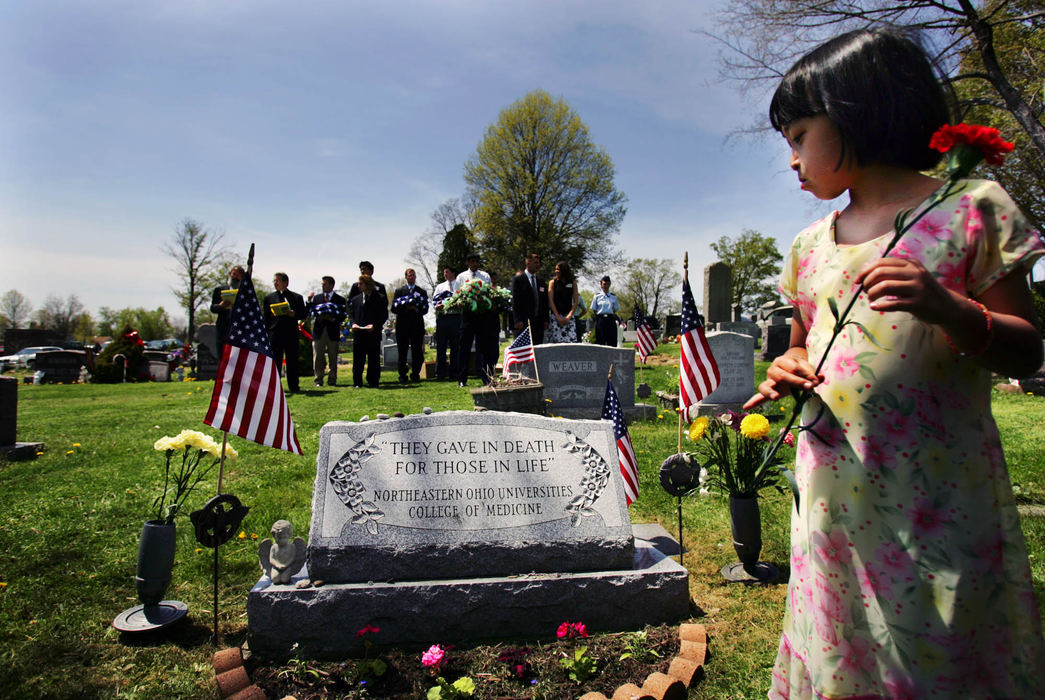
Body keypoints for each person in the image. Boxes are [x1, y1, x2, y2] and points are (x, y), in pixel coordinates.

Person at [743, 28, 1045, 699]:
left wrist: (950, 309)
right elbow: (801, 342)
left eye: (796, 136)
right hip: (831, 494)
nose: (790, 159)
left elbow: (1027, 346)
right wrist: (785, 368)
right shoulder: (807, 245)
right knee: (841, 634)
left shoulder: (970, 209)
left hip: (936, 493)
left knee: (937, 643)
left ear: (856, 111)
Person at [456, 253, 498, 386]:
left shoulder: (485, 276)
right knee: (464, 348)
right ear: (467, 263)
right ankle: (462, 378)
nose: (474, 264)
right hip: (467, 315)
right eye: (472, 261)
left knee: (483, 348)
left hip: (482, 315)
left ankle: (485, 376)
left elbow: (489, 292)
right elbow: (457, 295)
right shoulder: (461, 277)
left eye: (476, 261)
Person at [263, 272, 307, 394]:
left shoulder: (296, 297)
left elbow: (303, 314)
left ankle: (294, 386)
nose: (275, 283)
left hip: (290, 334)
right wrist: (265, 334)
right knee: (275, 362)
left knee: (292, 361)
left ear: (285, 282)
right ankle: (274, 387)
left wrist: (294, 314)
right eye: (274, 281)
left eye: (277, 281)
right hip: (275, 334)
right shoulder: (269, 298)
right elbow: (266, 318)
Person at [347, 274, 388, 388]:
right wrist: (353, 324)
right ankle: (357, 382)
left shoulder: (379, 298)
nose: (358, 286)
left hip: (373, 333)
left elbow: (384, 315)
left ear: (367, 284)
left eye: (361, 284)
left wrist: (375, 325)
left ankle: (373, 381)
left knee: (373, 359)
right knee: (358, 359)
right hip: (359, 334)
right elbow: (351, 315)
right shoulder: (356, 299)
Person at [391, 268, 429, 383]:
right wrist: (405, 308)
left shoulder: (421, 291)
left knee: (417, 351)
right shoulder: (399, 291)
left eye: (413, 275)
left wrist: (416, 308)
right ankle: (402, 375)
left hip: (416, 325)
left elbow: (426, 309)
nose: (411, 277)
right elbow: (393, 308)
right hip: (403, 326)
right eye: (409, 275)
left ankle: (415, 374)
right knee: (402, 351)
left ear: (415, 277)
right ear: (406, 277)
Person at [307, 275, 347, 387]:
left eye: (324, 283)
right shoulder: (317, 298)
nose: (322, 285)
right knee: (318, 357)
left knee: (333, 357)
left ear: (331, 285)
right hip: (319, 331)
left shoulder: (340, 299)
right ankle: (318, 380)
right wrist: (309, 301)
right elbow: (311, 312)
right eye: (322, 284)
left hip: (332, 331)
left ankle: (332, 379)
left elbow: (343, 316)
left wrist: (333, 318)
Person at [510, 253, 549, 345]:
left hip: (539, 323)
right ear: (528, 263)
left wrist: (546, 320)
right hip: (523, 323)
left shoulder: (541, 281)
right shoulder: (518, 280)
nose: (538, 265)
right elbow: (515, 301)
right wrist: (518, 320)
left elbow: (545, 302)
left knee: (538, 348)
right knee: (524, 349)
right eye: (535, 263)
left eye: (539, 263)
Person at [432, 267, 460, 381]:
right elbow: (434, 300)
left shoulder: (459, 284)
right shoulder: (440, 286)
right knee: (441, 346)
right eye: (444, 272)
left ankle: (454, 372)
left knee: (455, 346)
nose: (445, 274)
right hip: (443, 317)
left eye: (447, 272)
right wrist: (437, 306)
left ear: (453, 273)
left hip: (456, 317)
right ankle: (440, 373)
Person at [209, 265, 244, 357]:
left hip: (238, 330)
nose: (235, 277)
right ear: (230, 274)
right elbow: (213, 308)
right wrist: (220, 306)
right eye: (234, 274)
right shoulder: (219, 290)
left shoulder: (245, 292)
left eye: (238, 275)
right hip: (223, 328)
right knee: (222, 357)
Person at [547, 261, 579, 344]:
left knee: (570, 343)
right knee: (556, 343)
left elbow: (576, 301)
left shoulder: (573, 283)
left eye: (558, 269)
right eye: (555, 269)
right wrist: (558, 317)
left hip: (568, 317)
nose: (556, 271)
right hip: (556, 317)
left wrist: (569, 316)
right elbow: (551, 301)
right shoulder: (553, 283)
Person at [590, 275, 621, 346]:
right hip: (601, 319)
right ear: (601, 285)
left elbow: (615, 309)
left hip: (610, 319)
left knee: (612, 340)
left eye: (608, 284)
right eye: (604, 284)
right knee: (600, 340)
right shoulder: (597, 296)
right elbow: (594, 309)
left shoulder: (613, 296)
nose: (606, 286)